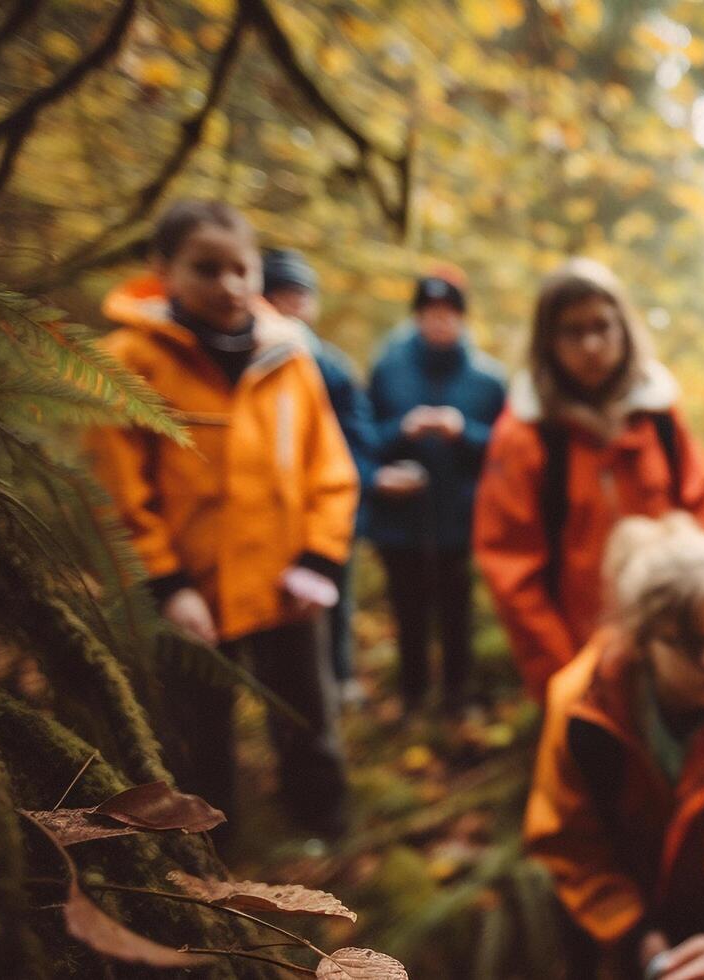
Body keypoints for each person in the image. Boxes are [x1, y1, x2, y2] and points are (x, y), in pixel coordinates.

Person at [85, 200, 357, 838]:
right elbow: (118, 492)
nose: (230, 285)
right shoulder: (129, 359)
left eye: (243, 268)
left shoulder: (290, 356)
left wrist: (318, 559)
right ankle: (210, 851)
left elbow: (331, 469)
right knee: (197, 729)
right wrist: (168, 586)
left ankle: (327, 824)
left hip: (288, 583)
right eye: (207, 269)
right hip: (191, 591)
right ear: (165, 270)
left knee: (306, 713)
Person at [525, 514, 704, 979]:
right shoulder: (583, 708)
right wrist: (635, 933)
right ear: (643, 641)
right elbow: (569, 842)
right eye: (689, 644)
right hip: (606, 928)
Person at [475, 258, 704, 704]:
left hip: (671, 644)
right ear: (548, 341)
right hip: (578, 656)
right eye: (573, 331)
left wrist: (693, 622)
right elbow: (512, 570)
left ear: (623, 330)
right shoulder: (526, 437)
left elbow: (700, 507)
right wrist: (565, 671)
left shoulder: (659, 418)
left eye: (602, 326)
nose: (591, 344)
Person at [364, 274, 507, 717]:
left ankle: (458, 695)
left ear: (462, 319)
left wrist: (463, 431)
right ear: (418, 317)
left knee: (456, 612)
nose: (440, 323)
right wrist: (401, 430)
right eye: (430, 314)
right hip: (401, 520)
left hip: (459, 520)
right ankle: (412, 696)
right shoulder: (388, 370)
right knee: (408, 613)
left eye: (448, 314)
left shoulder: (488, 380)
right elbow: (364, 439)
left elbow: (507, 451)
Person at [262, 247, 378, 707]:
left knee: (335, 598)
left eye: (299, 295)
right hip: (272, 520)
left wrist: (347, 496)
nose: (291, 306)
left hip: (330, 513)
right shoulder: (255, 364)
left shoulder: (332, 367)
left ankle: (340, 679)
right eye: (279, 295)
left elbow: (360, 439)